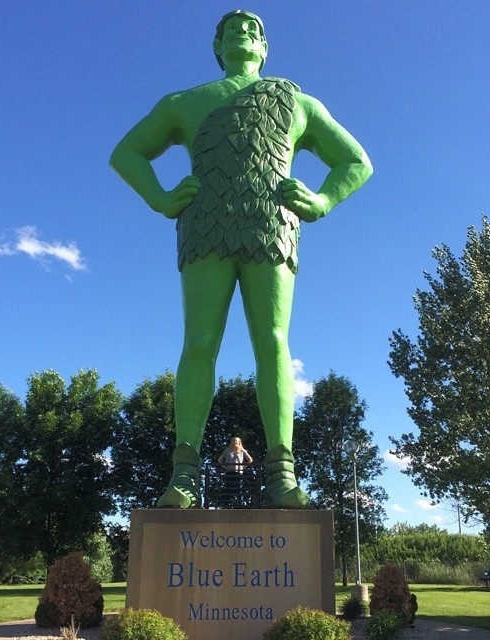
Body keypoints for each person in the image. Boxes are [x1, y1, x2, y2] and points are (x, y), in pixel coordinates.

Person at [110, 10, 373, 509]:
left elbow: (356, 161)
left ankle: (282, 474)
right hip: (204, 226)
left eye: (253, 30)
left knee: (273, 342)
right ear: (217, 48)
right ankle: (183, 477)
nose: (242, 34)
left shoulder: (296, 101)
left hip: (272, 228)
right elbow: (127, 153)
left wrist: (321, 201)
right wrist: (162, 199)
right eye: (231, 31)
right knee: (199, 342)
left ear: (265, 48)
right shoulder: (184, 102)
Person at [217, 436, 254, 505]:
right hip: (229, 472)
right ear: (231, 442)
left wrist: (244, 467)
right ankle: (226, 504)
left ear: (239, 442)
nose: (235, 442)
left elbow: (250, 460)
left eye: (236, 441)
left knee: (239, 489)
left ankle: (240, 505)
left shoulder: (242, 451)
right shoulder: (227, 450)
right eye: (233, 440)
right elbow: (219, 459)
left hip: (238, 472)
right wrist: (224, 466)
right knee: (228, 488)